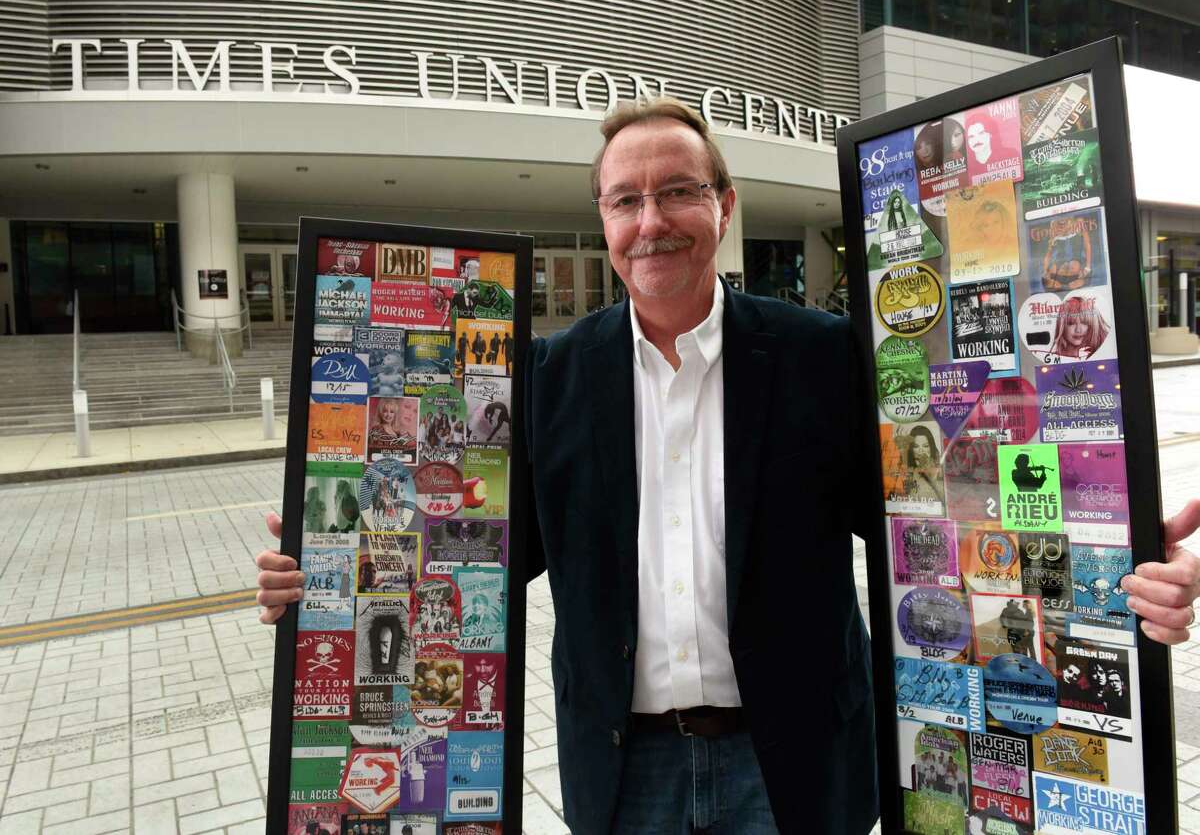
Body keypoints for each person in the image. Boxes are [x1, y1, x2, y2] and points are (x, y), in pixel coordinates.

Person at [255, 97, 1200, 833]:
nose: (651, 220)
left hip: (789, 768)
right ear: (602, 218)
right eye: (626, 200)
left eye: (677, 191)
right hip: (625, 775)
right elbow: (486, 554)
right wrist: (330, 577)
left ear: (723, 204)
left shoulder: (823, 356)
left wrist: (1102, 553)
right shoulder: (548, 375)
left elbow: (937, 521)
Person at [1050, 294, 1109, 360]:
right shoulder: (1053, 358)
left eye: (1085, 323)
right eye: (1071, 323)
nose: (1078, 330)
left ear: (1094, 325)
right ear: (1062, 326)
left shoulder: (1103, 354)